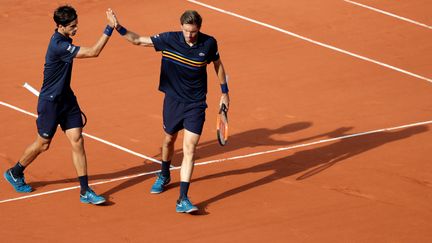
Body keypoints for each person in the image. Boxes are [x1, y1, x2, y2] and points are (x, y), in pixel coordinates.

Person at [109, 10, 230, 213]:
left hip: (196, 104)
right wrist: (118, 27)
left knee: (189, 148)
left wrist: (225, 92)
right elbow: (138, 40)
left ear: (199, 28)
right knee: (169, 140)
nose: (189, 36)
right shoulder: (169, 39)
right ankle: (164, 174)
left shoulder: (209, 43)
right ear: (181, 27)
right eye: (186, 31)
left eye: (193, 32)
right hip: (173, 102)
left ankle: (183, 198)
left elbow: (218, 65)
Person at [3, 5, 116, 205]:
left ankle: (84, 191)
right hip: (50, 103)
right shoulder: (58, 45)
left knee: (77, 139)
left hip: (67, 99)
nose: (76, 29)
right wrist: (109, 28)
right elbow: (93, 52)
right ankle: (15, 172)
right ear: (60, 26)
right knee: (43, 144)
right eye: (72, 26)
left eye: (76, 25)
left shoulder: (64, 40)